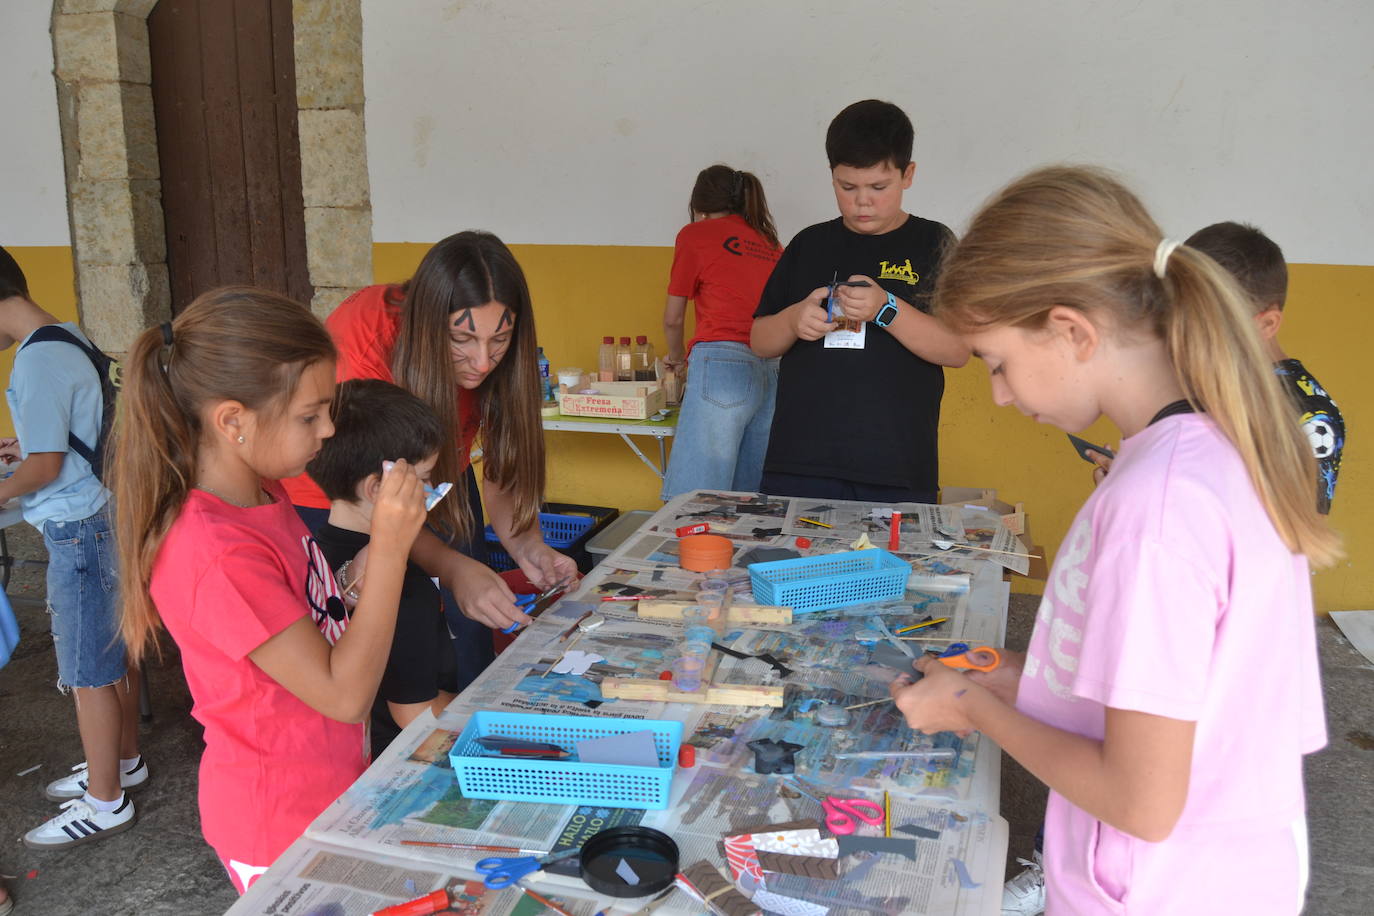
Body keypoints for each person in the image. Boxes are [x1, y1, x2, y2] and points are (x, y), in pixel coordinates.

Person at [891, 166, 1339, 914]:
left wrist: (972, 706)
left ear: (1071, 330)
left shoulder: (1154, 509)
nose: (999, 394)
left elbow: (1141, 801)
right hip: (1228, 875)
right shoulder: (1210, 451)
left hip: (1162, 891)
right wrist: (1027, 680)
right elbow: (1189, 698)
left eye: (999, 364)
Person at [111, 288, 427, 893]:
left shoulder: (261, 493)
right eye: (310, 415)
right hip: (276, 820)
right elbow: (343, 695)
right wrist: (389, 551)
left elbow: (307, 619)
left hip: (328, 790)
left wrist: (355, 580)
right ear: (233, 421)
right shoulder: (213, 549)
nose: (328, 429)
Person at [282, 231, 575, 688]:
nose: (481, 361)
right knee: (395, 648)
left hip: (432, 478)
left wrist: (528, 546)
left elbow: (504, 462)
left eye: (499, 339)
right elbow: (381, 506)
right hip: (345, 501)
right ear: (427, 323)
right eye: (462, 339)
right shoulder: (368, 344)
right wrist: (454, 569)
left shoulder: (499, 361)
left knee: (470, 634)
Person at [749, 99, 969, 503]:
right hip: (799, 462)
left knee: (886, 566)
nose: (862, 201)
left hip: (896, 465)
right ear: (832, 177)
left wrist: (886, 308)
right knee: (791, 564)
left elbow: (957, 349)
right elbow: (760, 341)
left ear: (908, 175)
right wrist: (794, 320)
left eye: (878, 188)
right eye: (847, 187)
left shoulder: (935, 243)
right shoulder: (809, 243)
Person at [0, 246, 146, 850]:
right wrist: (24, 453)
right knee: (115, 651)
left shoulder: (34, 365)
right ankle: (125, 759)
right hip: (103, 510)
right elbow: (67, 437)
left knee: (88, 672)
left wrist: (8, 483)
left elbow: (43, 468)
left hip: (76, 527)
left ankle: (105, 801)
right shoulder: (67, 335)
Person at [305, 379, 458, 757]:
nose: (433, 489)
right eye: (423, 480)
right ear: (378, 489)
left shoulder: (312, 552)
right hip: (398, 761)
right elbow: (417, 717)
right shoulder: (401, 584)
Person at [1186, 222, 1346, 513]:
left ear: (1267, 324)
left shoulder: (1308, 414)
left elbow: (1295, 535)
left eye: (1208, 321)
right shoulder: (1203, 384)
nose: (1186, 333)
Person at [660, 164, 783, 499]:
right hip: (772, 368)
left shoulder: (695, 235)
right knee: (746, 499)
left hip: (722, 363)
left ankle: (691, 554)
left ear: (699, 206)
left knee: (695, 498)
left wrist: (676, 360)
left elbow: (673, 318)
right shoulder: (770, 243)